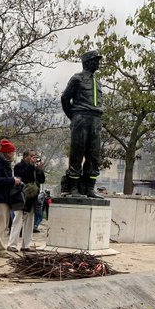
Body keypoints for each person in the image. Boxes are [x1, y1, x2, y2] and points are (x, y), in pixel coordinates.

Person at [61, 49, 103, 198]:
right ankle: (73, 188)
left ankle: (90, 188)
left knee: (94, 154)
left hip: (96, 119)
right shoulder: (76, 79)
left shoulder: (97, 80)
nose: (98, 63)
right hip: (81, 117)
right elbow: (65, 98)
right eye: (95, 60)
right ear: (86, 63)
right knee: (77, 152)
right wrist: (73, 117)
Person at [0, 139, 21, 258]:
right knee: (1, 225)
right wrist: (13, 180)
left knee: (2, 224)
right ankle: (1, 250)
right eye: (12, 152)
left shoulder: (5, 164)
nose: (13, 154)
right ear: (6, 152)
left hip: (5, 198)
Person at [7, 150, 45, 252]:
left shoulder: (35, 168)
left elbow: (41, 180)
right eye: (32, 156)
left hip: (32, 198)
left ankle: (26, 245)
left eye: (35, 156)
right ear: (25, 157)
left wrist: (41, 170)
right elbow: (23, 177)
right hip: (21, 197)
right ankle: (12, 244)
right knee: (18, 220)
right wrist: (31, 166)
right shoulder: (19, 166)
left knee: (30, 222)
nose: (34, 158)